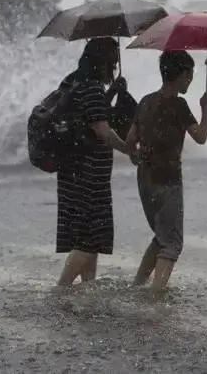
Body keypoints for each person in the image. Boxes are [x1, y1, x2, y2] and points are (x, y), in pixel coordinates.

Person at [125, 50, 207, 293]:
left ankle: (137, 286)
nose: (191, 79)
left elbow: (130, 139)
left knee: (161, 235)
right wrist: (206, 108)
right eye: (190, 75)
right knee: (172, 243)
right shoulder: (179, 104)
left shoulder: (145, 101)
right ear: (183, 75)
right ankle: (155, 297)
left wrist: (135, 157)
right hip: (168, 180)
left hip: (145, 180)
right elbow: (201, 137)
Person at [55, 36, 131, 287]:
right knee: (90, 237)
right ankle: (62, 288)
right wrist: (130, 149)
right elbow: (101, 130)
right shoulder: (92, 87)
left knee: (88, 235)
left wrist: (111, 93)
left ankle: (88, 286)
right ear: (105, 62)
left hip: (71, 171)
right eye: (113, 62)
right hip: (88, 175)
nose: (115, 67)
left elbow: (89, 114)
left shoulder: (74, 81)